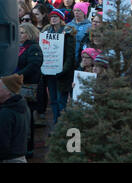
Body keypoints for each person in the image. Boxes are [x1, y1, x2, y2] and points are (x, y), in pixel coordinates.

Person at [41, 9, 76, 125]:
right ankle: (56, 124)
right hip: (49, 72)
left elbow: (70, 56)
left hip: (63, 73)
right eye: (51, 17)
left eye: (56, 17)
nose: (53, 19)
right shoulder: (46, 33)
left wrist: (63, 70)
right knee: (54, 101)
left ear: (61, 20)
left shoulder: (68, 34)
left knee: (61, 101)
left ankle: (62, 125)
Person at [16, 23, 43, 158]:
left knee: (27, 117)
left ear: (29, 34)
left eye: (22, 32)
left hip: (28, 87)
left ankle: (28, 148)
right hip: (15, 85)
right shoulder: (17, 47)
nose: (19, 35)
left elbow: (33, 66)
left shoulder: (33, 48)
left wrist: (17, 76)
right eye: (18, 32)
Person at [0, 74, 30, 163]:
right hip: (20, 156)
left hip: (8, 159)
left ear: (7, 92)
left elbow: (2, 143)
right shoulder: (23, 106)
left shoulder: (6, 113)